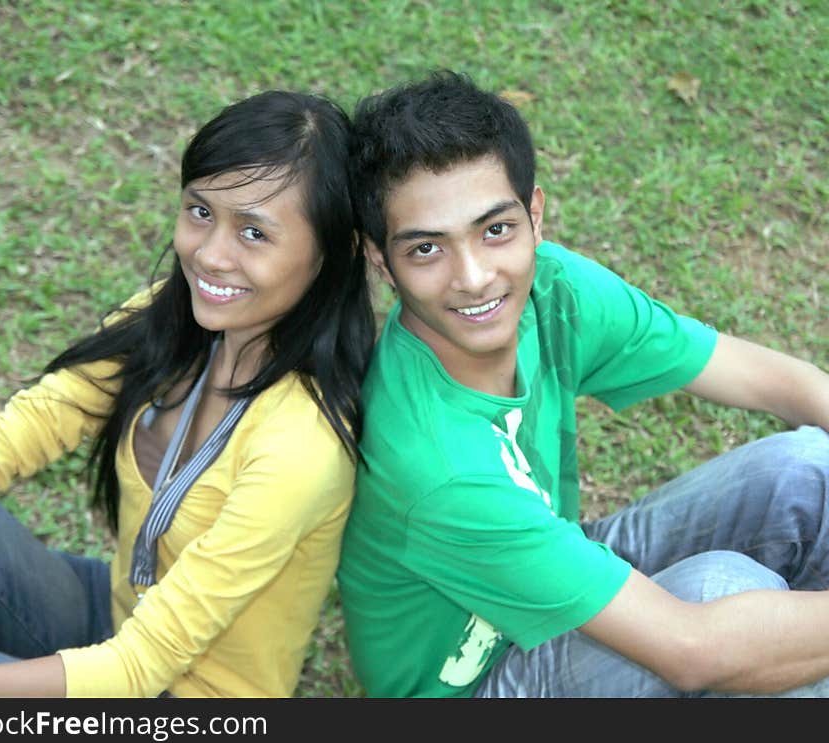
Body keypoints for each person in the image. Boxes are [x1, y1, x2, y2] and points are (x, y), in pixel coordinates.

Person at [337, 70, 829, 698]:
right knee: (721, 594)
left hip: (555, 567)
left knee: (807, 467)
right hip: (480, 690)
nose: (475, 277)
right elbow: (695, 651)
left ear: (534, 216)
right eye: (427, 250)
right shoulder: (438, 466)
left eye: (496, 230)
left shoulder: (554, 290)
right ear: (382, 261)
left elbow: (780, 382)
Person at [0, 89, 374, 697]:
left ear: (331, 254)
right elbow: (11, 440)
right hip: (110, 621)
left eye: (253, 232)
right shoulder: (170, 321)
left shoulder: (301, 446)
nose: (209, 254)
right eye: (201, 212)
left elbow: (138, 672)